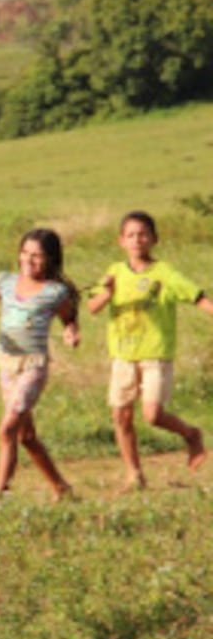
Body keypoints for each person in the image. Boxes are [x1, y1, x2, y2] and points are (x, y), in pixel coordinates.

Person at [86, 210, 212, 491]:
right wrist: (106, 292)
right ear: (121, 241)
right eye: (130, 235)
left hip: (155, 354)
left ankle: (191, 434)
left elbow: (196, 296)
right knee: (121, 415)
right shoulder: (114, 272)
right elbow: (92, 308)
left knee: (152, 414)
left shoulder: (164, 273)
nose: (137, 240)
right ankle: (134, 474)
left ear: (154, 239)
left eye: (143, 234)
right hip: (122, 355)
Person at [0, 228, 79, 500]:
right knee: (26, 436)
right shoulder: (4, 282)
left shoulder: (55, 292)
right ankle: (61, 487)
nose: (29, 260)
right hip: (6, 364)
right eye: (25, 253)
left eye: (37, 256)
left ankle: (1, 492)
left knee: (7, 427)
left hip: (33, 366)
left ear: (51, 259)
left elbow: (69, 317)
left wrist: (71, 330)